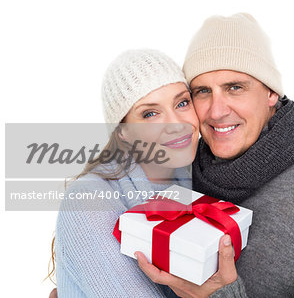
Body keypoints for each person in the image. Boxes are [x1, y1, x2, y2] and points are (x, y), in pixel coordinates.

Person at [135, 13, 294, 297]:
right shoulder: (189, 168)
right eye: (203, 91)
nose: (217, 111)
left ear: (271, 93)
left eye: (235, 88)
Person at [52, 49, 207, 297]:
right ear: (123, 132)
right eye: (150, 113)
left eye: (182, 102)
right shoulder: (88, 201)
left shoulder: (194, 177)